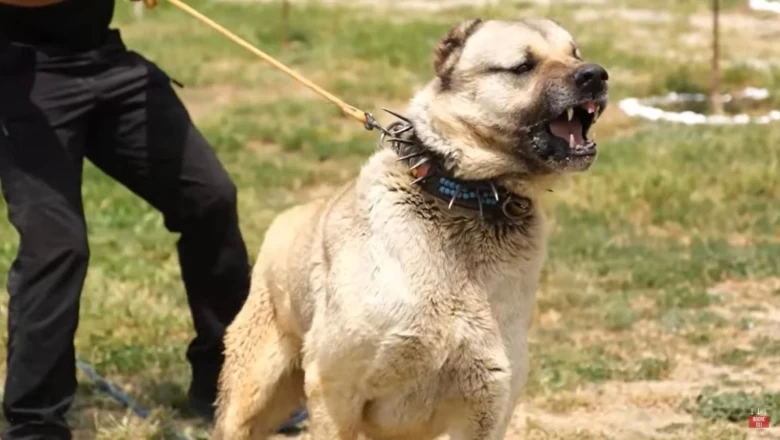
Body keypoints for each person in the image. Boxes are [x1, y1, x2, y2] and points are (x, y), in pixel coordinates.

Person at [0, 0, 304, 438]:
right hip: (21, 73)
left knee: (209, 200)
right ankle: (35, 423)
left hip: (103, 60)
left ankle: (225, 384)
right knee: (56, 246)